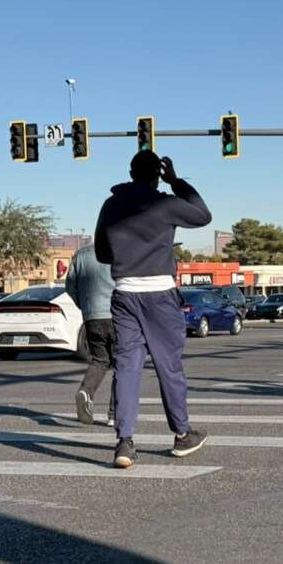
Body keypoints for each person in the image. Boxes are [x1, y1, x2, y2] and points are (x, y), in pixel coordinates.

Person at [95, 151, 212, 468]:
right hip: (160, 295)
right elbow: (203, 215)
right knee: (168, 367)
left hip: (124, 295)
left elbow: (103, 253)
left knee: (127, 368)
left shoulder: (111, 205)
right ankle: (181, 434)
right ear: (158, 174)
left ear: (130, 172)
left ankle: (125, 443)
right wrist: (177, 182)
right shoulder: (165, 203)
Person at [65, 245, 117, 427]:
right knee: (122, 364)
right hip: (117, 314)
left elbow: (70, 285)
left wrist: (85, 306)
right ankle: (115, 414)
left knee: (99, 360)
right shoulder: (119, 248)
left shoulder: (80, 255)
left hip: (91, 316)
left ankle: (86, 391)